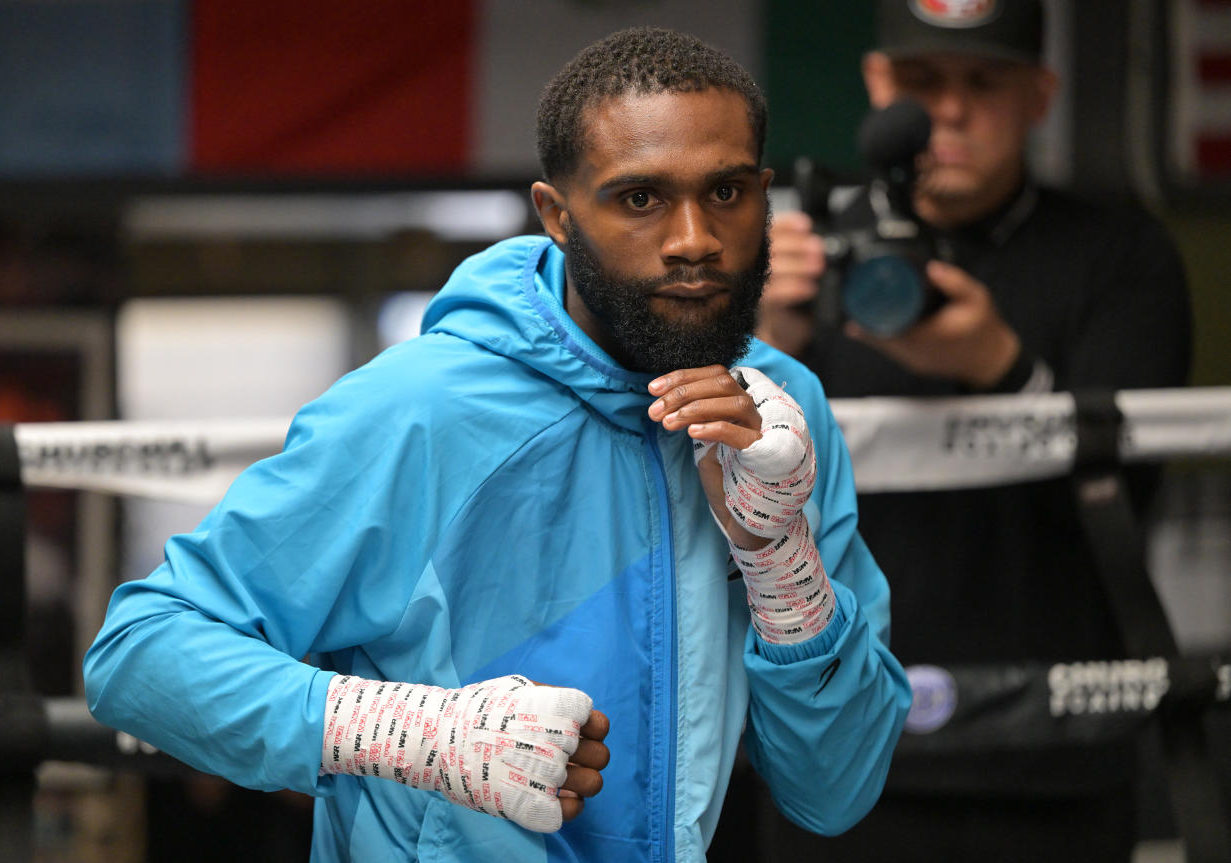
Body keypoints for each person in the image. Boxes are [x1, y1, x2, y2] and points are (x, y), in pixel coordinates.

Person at [84, 27, 911, 863]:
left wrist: (780, 558)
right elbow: (139, 652)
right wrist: (415, 733)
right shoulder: (421, 407)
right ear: (556, 214)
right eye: (639, 198)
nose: (693, 237)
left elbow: (833, 789)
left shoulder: (777, 415)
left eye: (726, 192)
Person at [747, 1, 1193, 861]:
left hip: (1052, 754)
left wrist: (1003, 367)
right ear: (879, 85)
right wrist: (762, 346)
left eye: (984, 83)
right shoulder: (796, 253)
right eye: (921, 82)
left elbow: (1134, 501)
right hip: (835, 750)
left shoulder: (1120, 253)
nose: (949, 112)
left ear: (1040, 94)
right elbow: (706, 499)